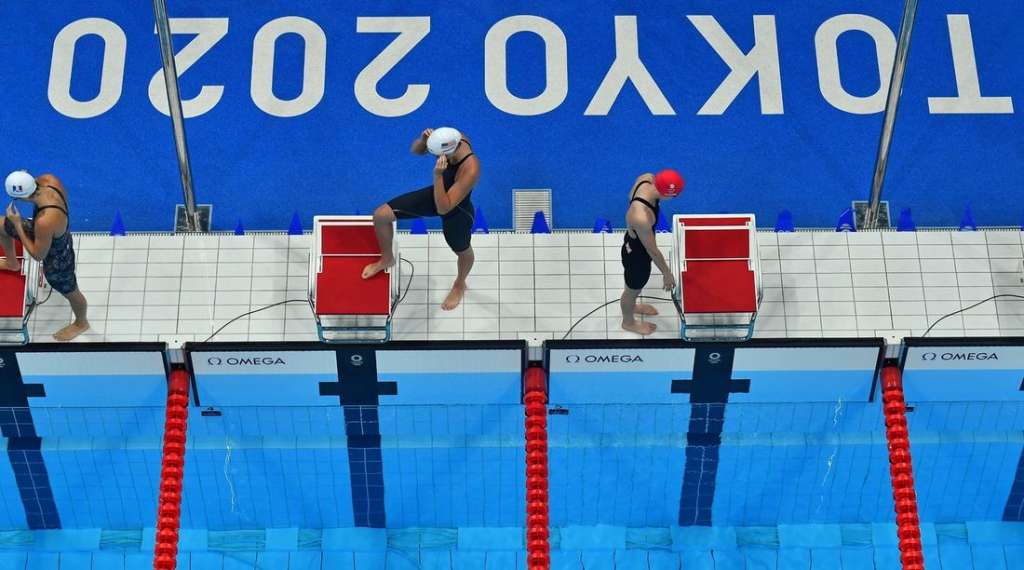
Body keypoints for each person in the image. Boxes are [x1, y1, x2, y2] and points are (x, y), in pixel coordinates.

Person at [362, 127, 480, 310]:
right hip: (438, 194)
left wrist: (438, 175)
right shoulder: (449, 138)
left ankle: (459, 284)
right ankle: (387, 259)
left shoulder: (470, 168)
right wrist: (423, 141)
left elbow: (444, 207)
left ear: (448, 152)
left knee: (462, 250)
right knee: (381, 215)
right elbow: (416, 151)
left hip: (456, 210)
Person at [2, 170, 89, 341]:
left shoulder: (45, 220)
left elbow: (38, 255)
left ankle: (81, 323)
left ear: (23, 197)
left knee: (71, 292)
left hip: (57, 257)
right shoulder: (49, 180)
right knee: (0, 225)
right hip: (46, 233)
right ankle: (12, 263)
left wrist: (18, 224)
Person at [620, 169, 684, 335]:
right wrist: (667, 273)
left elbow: (629, 196)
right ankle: (628, 322)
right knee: (631, 290)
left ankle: (633, 306)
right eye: (674, 196)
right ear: (665, 193)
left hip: (636, 241)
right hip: (637, 255)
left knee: (636, 288)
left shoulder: (646, 178)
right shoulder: (641, 216)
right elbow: (652, 250)